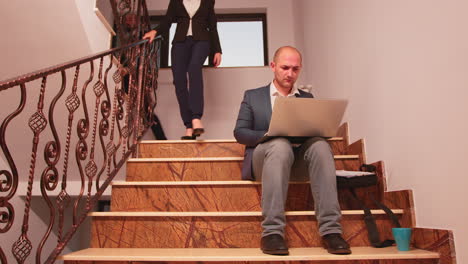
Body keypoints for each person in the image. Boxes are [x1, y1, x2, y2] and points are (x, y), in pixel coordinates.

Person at [233, 46, 351, 256]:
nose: (290, 74)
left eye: (295, 69)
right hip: (266, 160)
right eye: (285, 68)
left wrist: (322, 129)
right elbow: (240, 133)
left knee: (321, 146)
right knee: (279, 145)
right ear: (273, 66)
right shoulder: (253, 96)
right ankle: (272, 232)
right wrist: (271, 134)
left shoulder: (307, 97)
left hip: (296, 160)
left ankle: (331, 231)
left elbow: (314, 133)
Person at [143, 0, 222, 139]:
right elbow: (167, 21)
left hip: (202, 41)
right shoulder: (176, 1)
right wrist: (155, 31)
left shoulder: (208, 1)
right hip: (180, 43)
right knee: (179, 81)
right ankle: (189, 126)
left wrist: (217, 50)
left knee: (193, 69)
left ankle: (196, 117)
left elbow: (213, 26)